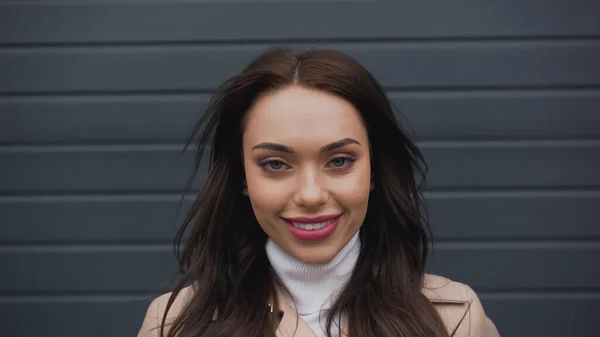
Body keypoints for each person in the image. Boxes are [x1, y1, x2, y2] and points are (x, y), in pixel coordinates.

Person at [137, 47, 500, 337]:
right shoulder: (175, 326)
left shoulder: (454, 321)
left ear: (374, 169)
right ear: (242, 178)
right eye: (275, 164)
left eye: (339, 161)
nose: (310, 195)